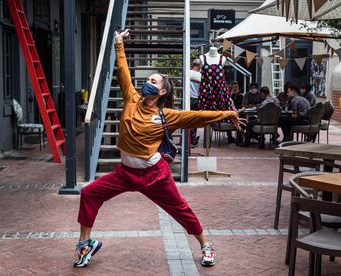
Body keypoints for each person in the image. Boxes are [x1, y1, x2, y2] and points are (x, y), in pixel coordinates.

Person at [73, 29, 245, 269]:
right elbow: (122, 70)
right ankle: (85, 244)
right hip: (124, 173)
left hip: (154, 175)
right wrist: (118, 44)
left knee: (180, 209)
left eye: (153, 82)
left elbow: (197, 117)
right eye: (147, 80)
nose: (147, 84)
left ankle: (205, 245)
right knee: (90, 193)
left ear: (162, 91)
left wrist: (229, 113)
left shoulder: (167, 115)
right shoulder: (131, 98)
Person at [190, 59, 202, 146]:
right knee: (195, 120)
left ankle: (184, 139)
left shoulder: (187, 73)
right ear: (199, 66)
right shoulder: (200, 75)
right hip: (196, 99)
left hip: (188, 98)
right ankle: (193, 139)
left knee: (185, 119)